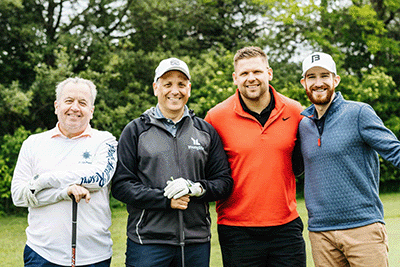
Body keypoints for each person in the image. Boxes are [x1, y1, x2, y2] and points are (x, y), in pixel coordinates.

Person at [111, 57, 233, 267]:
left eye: (181, 84)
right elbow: (122, 186)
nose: (174, 91)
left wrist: (197, 188)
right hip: (147, 243)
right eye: (167, 84)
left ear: (189, 88)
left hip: (196, 241)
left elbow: (224, 182)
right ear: (155, 87)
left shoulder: (205, 131)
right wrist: (165, 200)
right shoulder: (136, 130)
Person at [204, 46, 306, 267]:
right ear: (235, 78)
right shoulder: (215, 117)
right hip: (237, 231)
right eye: (244, 73)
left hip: (286, 228)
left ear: (269, 73)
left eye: (257, 72)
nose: (251, 78)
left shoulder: (295, 111)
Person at [299, 51, 398, 266]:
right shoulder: (302, 125)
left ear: (336, 79)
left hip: (363, 229)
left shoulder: (359, 113)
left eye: (325, 75)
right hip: (320, 234)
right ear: (303, 83)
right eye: (311, 77)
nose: (318, 83)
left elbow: (395, 151)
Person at [11, 77, 118, 267]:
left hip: (94, 256)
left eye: (83, 103)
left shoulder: (106, 141)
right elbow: (19, 196)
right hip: (41, 254)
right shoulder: (33, 143)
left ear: (91, 111)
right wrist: (63, 192)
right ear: (56, 106)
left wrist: (44, 180)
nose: (75, 108)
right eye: (69, 101)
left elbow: (100, 178)